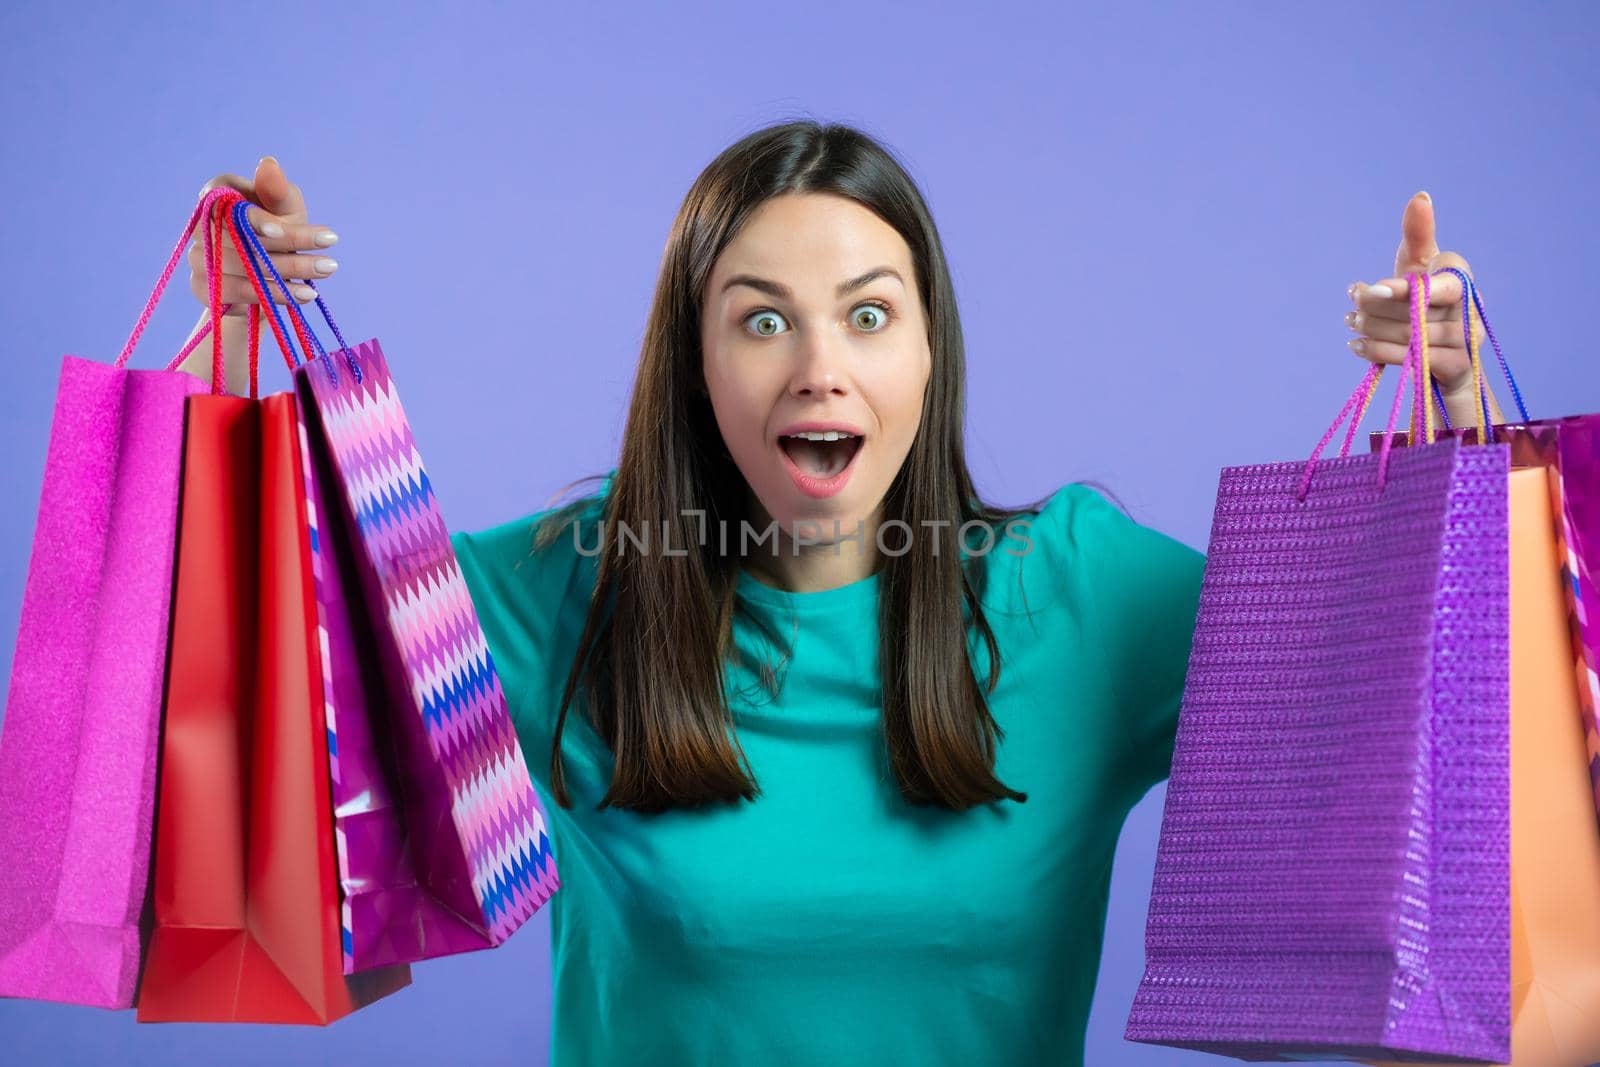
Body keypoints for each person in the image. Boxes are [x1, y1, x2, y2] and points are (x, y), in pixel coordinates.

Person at [186, 120, 1501, 1067]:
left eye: (869, 316)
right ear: (695, 362)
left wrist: (1452, 413)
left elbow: (1418, 705)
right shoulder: (564, 593)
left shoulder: (1081, 600)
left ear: (932, 351)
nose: (820, 367)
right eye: (762, 319)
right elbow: (274, 715)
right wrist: (245, 366)